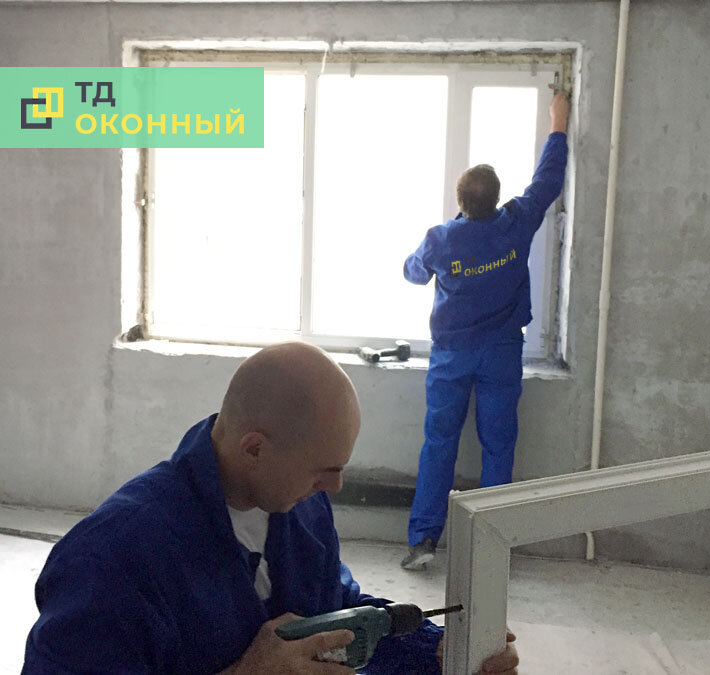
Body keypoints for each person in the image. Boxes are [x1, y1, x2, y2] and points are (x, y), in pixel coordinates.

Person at [23, 341, 518, 674]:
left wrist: (435, 651)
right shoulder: (111, 560)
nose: (335, 487)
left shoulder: (299, 507)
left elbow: (332, 612)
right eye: (323, 470)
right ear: (255, 448)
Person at [400, 93, 570, 570]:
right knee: (498, 445)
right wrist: (558, 125)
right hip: (501, 353)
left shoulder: (442, 239)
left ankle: (423, 541)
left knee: (440, 444)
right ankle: (489, 549)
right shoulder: (516, 223)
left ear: (460, 202)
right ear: (496, 198)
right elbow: (548, 180)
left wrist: (439, 256)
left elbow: (413, 273)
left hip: (452, 356)